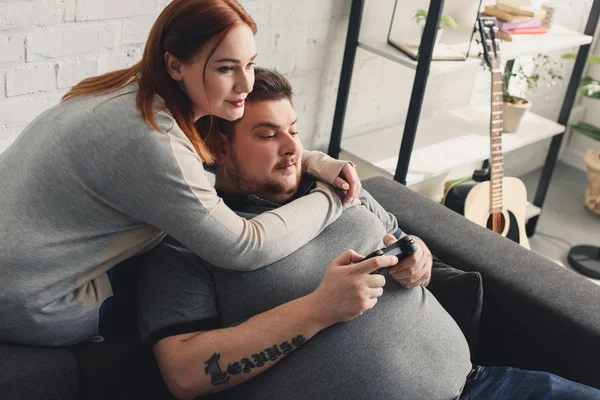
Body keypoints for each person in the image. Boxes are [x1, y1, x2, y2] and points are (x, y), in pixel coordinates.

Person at [137, 67, 600, 400]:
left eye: (294, 131)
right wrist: (318, 309)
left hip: (484, 384)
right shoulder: (191, 239)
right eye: (267, 135)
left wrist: (417, 259)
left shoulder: (337, 187)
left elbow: (403, 241)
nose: (293, 148)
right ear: (221, 146)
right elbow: (183, 374)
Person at [0, 0, 362, 347]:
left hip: (21, 264)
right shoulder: (151, 140)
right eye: (225, 68)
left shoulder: (127, 90)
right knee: (192, 262)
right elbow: (246, 245)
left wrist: (310, 160)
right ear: (175, 66)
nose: (245, 84)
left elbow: (203, 148)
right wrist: (332, 196)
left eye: (249, 64)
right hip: (36, 302)